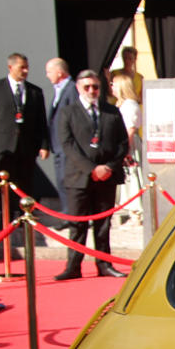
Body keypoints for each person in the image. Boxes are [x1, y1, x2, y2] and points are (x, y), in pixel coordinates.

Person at [54, 70, 128, 281]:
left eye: (95, 86)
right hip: (79, 177)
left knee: (103, 224)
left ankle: (104, 264)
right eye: (87, 87)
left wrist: (108, 167)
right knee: (78, 225)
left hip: (107, 176)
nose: (91, 91)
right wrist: (91, 169)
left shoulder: (112, 111)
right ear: (78, 88)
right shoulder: (68, 112)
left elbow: (122, 143)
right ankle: (73, 266)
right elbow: (67, 145)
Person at [0, 53, 49, 198]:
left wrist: (44, 145)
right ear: (10, 67)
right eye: (21, 67)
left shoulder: (35, 91)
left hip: (27, 146)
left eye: (27, 67)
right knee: (6, 185)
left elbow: (41, 122)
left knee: (26, 184)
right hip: (5, 147)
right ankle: (8, 218)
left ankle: (24, 218)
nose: (25, 71)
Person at [45, 57, 78, 196]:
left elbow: (75, 117)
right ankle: (66, 214)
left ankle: (70, 215)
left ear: (59, 72)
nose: (47, 75)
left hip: (67, 145)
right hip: (57, 145)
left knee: (67, 181)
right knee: (61, 181)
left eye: (49, 72)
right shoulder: (58, 89)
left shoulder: (72, 89)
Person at [110, 72, 143, 209]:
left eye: (114, 85)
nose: (112, 87)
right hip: (122, 142)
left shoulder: (130, 105)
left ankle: (136, 208)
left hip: (130, 143)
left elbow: (130, 129)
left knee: (133, 175)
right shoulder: (121, 104)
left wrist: (125, 150)